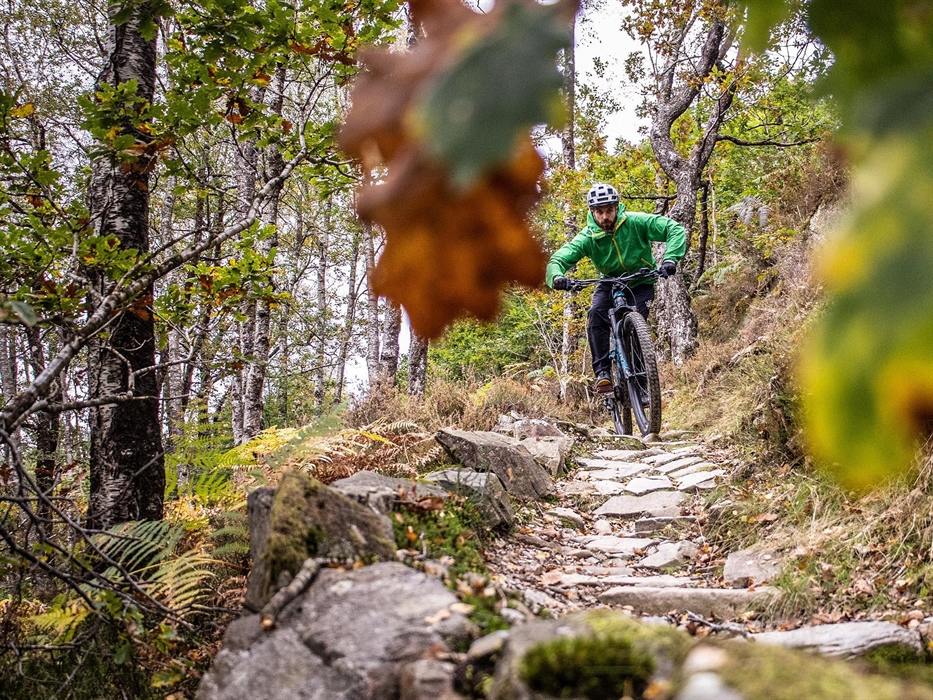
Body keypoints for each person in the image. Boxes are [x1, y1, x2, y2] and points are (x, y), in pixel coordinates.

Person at [546, 183, 687, 393]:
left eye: (609, 210)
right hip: (609, 282)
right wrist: (557, 277)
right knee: (596, 314)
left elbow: (673, 228)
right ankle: (603, 373)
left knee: (636, 329)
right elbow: (557, 259)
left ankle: (641, 385)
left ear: (617, 208)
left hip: (641, 280)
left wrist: (670, 259)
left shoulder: (636, 222)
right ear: (592, 213)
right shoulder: (588, 238)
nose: (605, 217)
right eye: (599, 212)